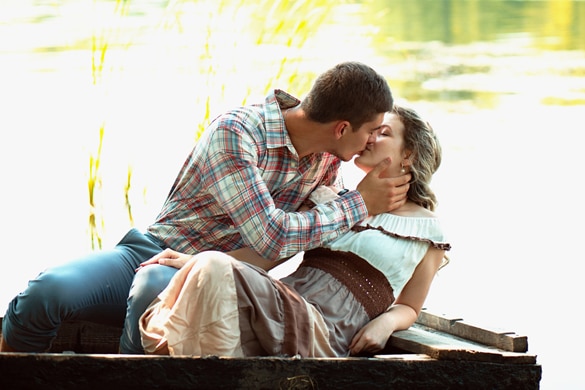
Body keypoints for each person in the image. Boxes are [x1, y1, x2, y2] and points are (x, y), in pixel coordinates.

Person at [1, 62, 411, 354]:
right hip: (152, 252)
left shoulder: (327, 165)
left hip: (214, 276)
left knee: (151, 294)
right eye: (371, 131)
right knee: (45, 293)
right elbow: (273, 234)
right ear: (342, 127)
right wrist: (360, 203)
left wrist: (393, 312)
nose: (370, 143)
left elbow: (284, 247)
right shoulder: (238, 133)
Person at [138, 104, 451, 357]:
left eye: (382, 133)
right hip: (283, 307)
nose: (369, 138)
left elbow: (410, 306)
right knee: (206, 276)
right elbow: (265, 257)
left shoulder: (428, 230)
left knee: (210, 275)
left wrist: (385, 323)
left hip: (325, 329)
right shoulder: (333, 202)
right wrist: (192, 262)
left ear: (409, 153)